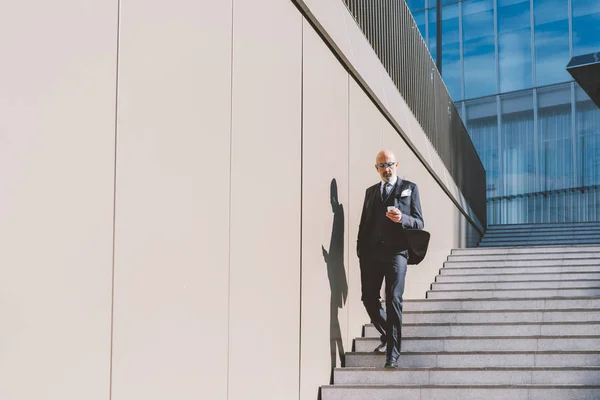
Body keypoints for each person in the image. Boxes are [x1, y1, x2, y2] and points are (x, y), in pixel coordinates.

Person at [356, 149, 424, 368]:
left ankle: (393, 354)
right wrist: (360, 250)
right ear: (376, 169)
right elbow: (364, 222)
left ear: (397, 165)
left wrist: (402, 218)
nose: (387, 169)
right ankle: (388, 334)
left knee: (393, 297)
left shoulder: (410, 188)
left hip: (397, 252)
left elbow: (419, 222)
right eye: (382, 166)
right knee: (368, 298)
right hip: (372, 253)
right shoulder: (370, 192)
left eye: (390, 164)